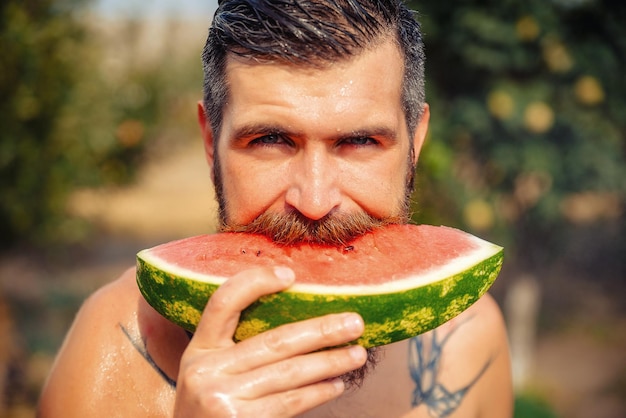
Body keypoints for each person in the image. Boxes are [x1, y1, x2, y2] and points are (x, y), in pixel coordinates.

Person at [38, 1, 513, 416]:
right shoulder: (115, 351)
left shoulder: (469, 342)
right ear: (210, 142)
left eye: (360, 141)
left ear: (415, 143)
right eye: (269, 139)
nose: (314, 201)